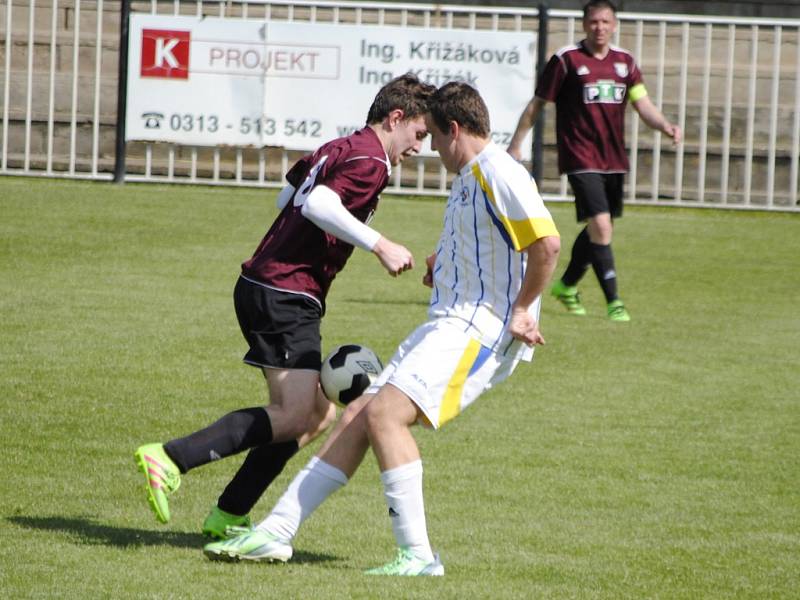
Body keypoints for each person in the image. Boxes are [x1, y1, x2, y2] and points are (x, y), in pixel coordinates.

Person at [203, 82, 561, 576]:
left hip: (477, 331)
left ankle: (417, 555)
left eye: (434, 136)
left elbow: (547, 244)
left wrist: (523, 309)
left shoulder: (501, 172)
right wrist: (445, 262)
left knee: (386, 416)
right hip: (446, 322)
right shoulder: (471, 177)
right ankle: (278, 531)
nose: (429, 148)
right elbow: (490, 243)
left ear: (455, 130)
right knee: (358, 416)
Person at [133, 74, 436, 538]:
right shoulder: (371, 160)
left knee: (317, 414)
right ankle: (171, 458)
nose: (420, 146)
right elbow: (316, 203)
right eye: (419, 134)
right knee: (296, 413)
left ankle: (230, 512)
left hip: (275, 285)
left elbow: (289, 193)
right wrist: (380, 244)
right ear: (396, 118)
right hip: (284, 292)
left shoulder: (342, 146)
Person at [507, 0, 681, 321]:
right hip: (579, 155)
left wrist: (665, 125)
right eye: (593, 22)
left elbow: (643, 105)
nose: (599, 28)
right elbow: (537, 104)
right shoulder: (567, 60)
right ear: (584, 25)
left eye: (605, 22)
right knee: (601, 225)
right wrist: (517, 145)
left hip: (613, 158)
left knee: (600, 228)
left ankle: (568, 285)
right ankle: (614, 302)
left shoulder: (625, 62)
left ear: (614, 25)